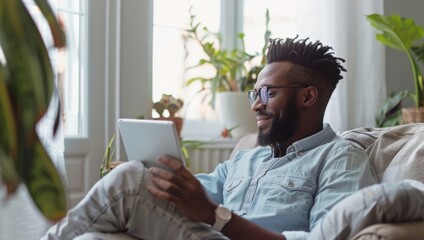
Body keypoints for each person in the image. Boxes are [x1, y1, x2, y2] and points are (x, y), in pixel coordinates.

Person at [42, 36, 377, 240]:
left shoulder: (341, 157)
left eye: (268, 93)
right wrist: (161, 179)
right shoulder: (247, 159)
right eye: (254, 94)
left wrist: (216, 217)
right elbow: (194, 197)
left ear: (307, 97)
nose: (256, 104)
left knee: (129, 181)